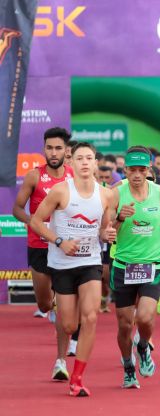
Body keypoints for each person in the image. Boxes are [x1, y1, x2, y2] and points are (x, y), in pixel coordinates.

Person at [30, 142, 116, 397]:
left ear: (95, 162)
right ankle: (62, 317)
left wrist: (107, 233)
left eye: (90, 158)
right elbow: (36, 221)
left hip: (90, 262)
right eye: (80, 158)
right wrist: (59, 241)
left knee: (91, 317)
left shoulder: (106, 195)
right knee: (68, 325)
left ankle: (77, 377)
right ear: (72, 163)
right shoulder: (60, 192)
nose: (86, 163)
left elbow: (104, 229)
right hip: (62, 264)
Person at [109, 146, 160, 389]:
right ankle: (128, 367)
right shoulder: (115, 195)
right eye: (132, 170)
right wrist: (119, 219)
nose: (137, 175)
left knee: (146, 318)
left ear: (148, 170)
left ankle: (142, 347)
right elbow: (105, 232)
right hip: (123, 265)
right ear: (125, 170)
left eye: (142, 170)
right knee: (125, 324)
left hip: (152, 264)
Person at [12, 127, 74, 380]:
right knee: (44, 303)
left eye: (58, 148)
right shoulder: (34, 176)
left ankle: (60, 361)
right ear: (43, 149)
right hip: (38, 246)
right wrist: (34, 222)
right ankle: (55, 305)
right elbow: (17, 208)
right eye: (49, 147)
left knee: (62, 307)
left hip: (65, 249)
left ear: (66, 151)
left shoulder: (74, 176)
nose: (54, 152)